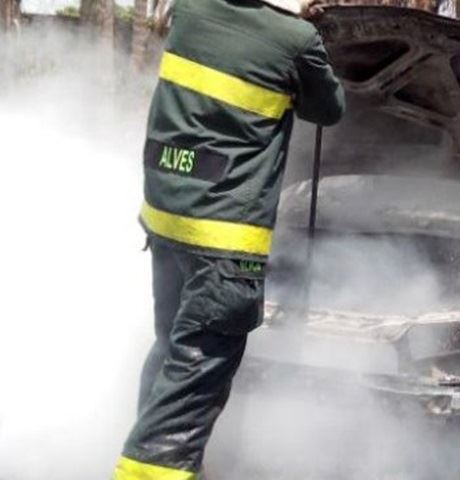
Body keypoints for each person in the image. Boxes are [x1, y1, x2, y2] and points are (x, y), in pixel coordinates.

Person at [112, 0, 345, 477]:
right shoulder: (294, 40)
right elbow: (329, 108)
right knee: (195, 374)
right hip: (225, 240)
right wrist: (306, 32)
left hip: (166, 220)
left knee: (173, 353)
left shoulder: (191, 9)